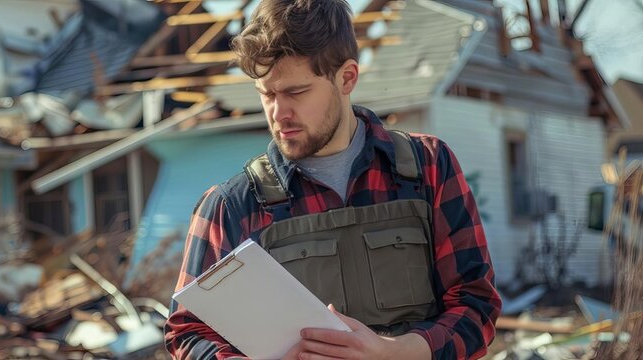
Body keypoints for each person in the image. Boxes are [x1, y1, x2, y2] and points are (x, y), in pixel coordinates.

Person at [163, 0, 501, 359]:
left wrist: (394, 353)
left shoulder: (428, 168)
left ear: (347, 78)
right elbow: (187, 332)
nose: (279, 113)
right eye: (267, 95)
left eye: (296, 92)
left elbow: (475, 304)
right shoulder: (231, 205)